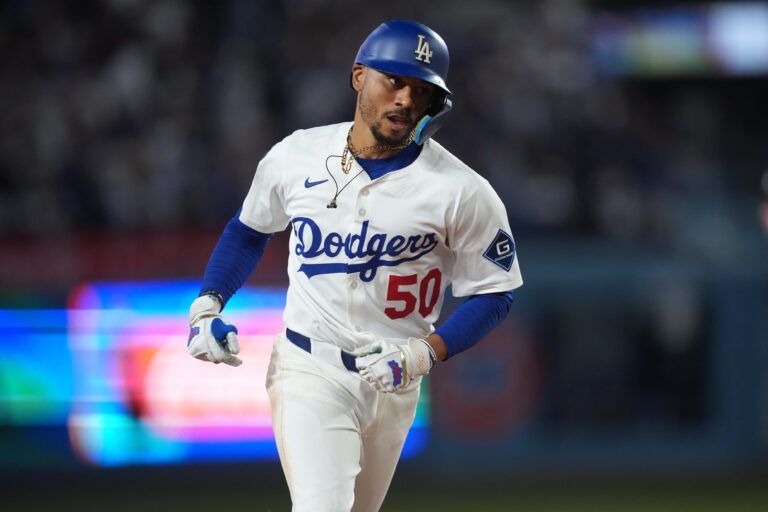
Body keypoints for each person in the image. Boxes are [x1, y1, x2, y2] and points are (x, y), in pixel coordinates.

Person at [186, 19, 523, 512]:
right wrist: (207, 305)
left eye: (422, 90)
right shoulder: (296, 155)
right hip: (309, 367)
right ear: (359, 76)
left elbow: (497, 291)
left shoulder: (461, 190)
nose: (406, 99)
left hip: (397, 379)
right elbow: (248, 230)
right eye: (395, 81)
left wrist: (426, 353)